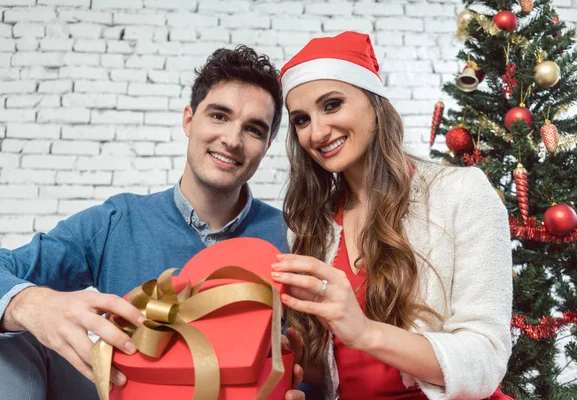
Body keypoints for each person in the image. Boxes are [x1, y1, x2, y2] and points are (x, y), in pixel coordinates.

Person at [0, 45, 305, 400]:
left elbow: (317, 363)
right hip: (126, 389)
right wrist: (31, 304)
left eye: (253, 129)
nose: (232, 140)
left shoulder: (293, 239)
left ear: (267, 145)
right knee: (12, 335)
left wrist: (293, 384)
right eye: (219, 116)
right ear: (189, 120)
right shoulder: (117, 222)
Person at [269, 31, 514, 400]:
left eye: (332, 105)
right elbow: (342, 369)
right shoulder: (312, 227)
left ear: (374, 102)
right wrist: (295, 357)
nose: (317, 132)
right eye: (301, 120)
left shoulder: (460, 193)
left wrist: (365, 332)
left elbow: (486, 358)